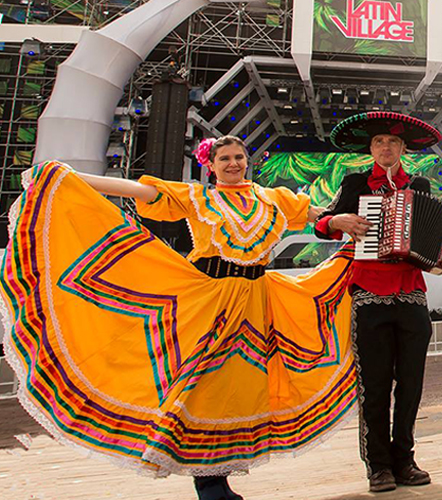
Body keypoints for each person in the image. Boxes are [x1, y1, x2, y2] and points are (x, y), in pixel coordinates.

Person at [0, 135, 355, 500]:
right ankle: (208, 482)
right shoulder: (199, 197)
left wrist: (340, 220)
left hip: (257, 303)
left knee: (240, 391)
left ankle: (220, 476)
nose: (233, 164)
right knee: (201, 386)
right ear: (211, 165)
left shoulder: (274, 198)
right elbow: (140, 191)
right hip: (208, 303)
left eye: (238, 157)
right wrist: (74, 177)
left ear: (247, 160)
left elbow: (316, 215)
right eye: (224, 159)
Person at [313, 111, 442, 493]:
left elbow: (437, 237)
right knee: (373, 386)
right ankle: (378, 465)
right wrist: (340, 222)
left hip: (411, 294)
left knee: (411, 383)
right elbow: (321, 222)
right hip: (369, 294)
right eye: (378, 143)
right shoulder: (356, 183)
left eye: (392, 142)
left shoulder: (419, 185)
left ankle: (404, 459)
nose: (385, 147)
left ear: (403, 149)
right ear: (371, 149)